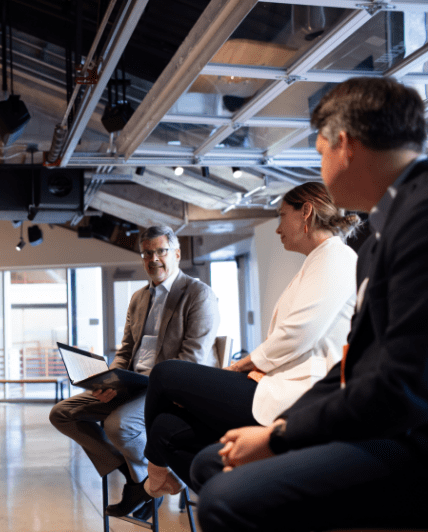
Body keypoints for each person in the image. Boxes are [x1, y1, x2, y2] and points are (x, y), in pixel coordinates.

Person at [189, 77, 428, 531]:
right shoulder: (385, 226)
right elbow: (352, 369)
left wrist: (280, 436)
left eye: (320, 154)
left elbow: (404, 385)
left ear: (345, 144)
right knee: (210, 463)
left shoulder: (419, 218)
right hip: (389, 425)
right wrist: (275, 429)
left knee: (223, 497)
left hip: (411, 438)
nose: (320, 168)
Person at [141, 182, 359, 498]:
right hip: (273, 383)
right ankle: (235, 499)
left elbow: (297, 333)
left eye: (283, 216)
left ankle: (156, 475)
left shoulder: (336, 257)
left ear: (306, 212)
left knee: (164, 374)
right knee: (164, 431)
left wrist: (241, 365)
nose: (278, 228)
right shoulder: (319, 260)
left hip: (296, 395)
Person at [49, 225, 219, 519]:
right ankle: (136, 479)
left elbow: (190, 360)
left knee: (118, 425)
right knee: (62, 414)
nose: (153, 259)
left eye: (160, 251)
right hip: (133, 386)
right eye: (147, 253)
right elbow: (126, 350)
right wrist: (110, 380)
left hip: (170, 389)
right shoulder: (139, 298)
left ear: (176, 253)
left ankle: (152, 482)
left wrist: (149, 385)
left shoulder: (198, 295)